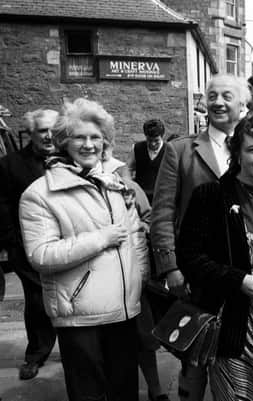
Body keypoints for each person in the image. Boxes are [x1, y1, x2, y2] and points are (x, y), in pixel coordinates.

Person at [18, 98, 149, 401]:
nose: (89, 144)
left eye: (96, 137)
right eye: (80, 137)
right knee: (89, 395)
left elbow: (135, 240)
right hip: (81, 319)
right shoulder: (40, 194)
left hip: (124, 312)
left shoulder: (115, 185)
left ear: (105, 142)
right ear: (63, 141)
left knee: (126, 392)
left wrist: (138, 280)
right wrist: (100, 239)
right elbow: (41, 255)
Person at [176, 109, 253, 400]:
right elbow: (189, 257)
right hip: (232, 324)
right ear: (237, 152)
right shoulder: (210, 195)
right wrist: (237, 280)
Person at [150, 73, 250, 401]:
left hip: (243, 274)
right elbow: (162, 213)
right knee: (194, 356)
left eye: (227, 96)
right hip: (196, 273)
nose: (218, 102)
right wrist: (170, 268)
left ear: (242, 104)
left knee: (237, 354)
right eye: (212, 96)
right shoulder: (179, 151)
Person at [0, 108, 58, 380]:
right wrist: (14, 243)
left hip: (67, 244)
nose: (48, 136)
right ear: (31, 134)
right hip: (27, 248)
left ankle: (77, 352)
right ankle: (35, 354)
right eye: (42, 131)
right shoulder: (10, 164)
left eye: (52, 131)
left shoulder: (70, 158)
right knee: (37, 301)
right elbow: (2, 207)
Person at [127, 118, 166, 204]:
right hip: (141, 197)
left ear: (162, 137)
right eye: (149, 140)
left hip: (162, 198)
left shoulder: (169, 150)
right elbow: (128, 169)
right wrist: (130, 187)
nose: (153, 144)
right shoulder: (137, 148)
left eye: (156, 141)